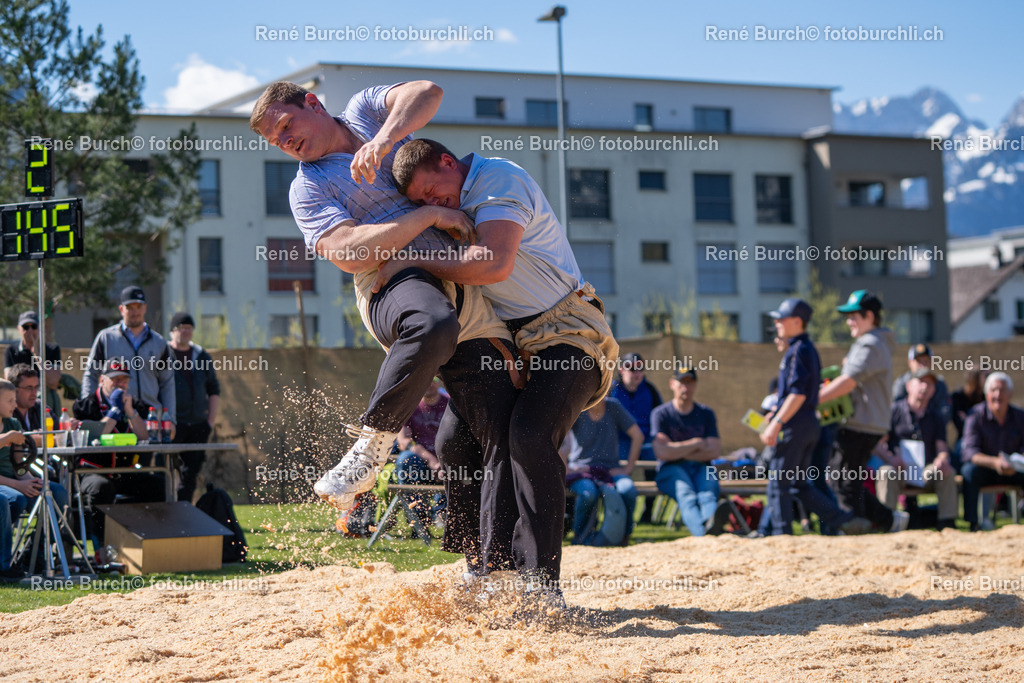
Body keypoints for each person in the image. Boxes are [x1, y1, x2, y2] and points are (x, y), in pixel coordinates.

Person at [250, 81, 522, 578]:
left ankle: (485, 566)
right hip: (394, 281)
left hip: (462, 279)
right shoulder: (308, 186)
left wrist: (385, 138)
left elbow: (429, 91)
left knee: (483, 432)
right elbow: (349, 250)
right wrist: (428, 214)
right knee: (432, 324)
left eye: (286, 125)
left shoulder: (365, 113)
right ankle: (372, 446)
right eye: (276, 141)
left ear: (313, 102)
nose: (285, 141)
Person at [390, 138, 619, 592]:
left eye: (433, 193)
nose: (434, 204)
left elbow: (493, 264)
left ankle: (539, 583)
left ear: (449, 161)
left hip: (570, 331)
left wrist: (413, 256)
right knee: (454, 438)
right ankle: (483, 567)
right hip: (512, 339)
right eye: (422, 203)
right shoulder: (457, 206)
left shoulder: (498, 180)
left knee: (530, 435)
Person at [759, 298, 868, 536]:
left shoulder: (798, 350)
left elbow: (797, 394)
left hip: (795, 425)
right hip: (808, 424)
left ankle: (781, 536)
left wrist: (776, 423)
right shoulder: (805, 349)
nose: (777, 323)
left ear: (797, 322)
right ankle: (843, 519)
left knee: (779, 483)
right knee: (798, 484)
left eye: (782, 319)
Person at [817, 290, 909, 533]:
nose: (849, 322)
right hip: (868, 421)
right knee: (848, 479)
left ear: (869, 316)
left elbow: (848, 381)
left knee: (843, 479)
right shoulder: (873, 342)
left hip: (861, 422)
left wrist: (814, 400)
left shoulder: (871, 343)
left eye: (854, 316)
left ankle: (857, 527)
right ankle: (887, 520)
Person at [72, 360, 163, 550]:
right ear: (102, 380)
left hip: (124, 471)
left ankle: (149, 545)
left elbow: (144, 436)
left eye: (124, 380)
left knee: (158, 484)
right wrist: (114, 411)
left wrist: (129, 412)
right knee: (101, 488)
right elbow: (96, 435)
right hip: (91, 471)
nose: (120, 384)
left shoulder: (135, 404)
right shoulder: (87, 405)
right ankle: (102, 548)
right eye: (115, 380)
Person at [81, 286, 176, 439]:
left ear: (145, 308)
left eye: (138, 306)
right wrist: (91, 408)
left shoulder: (159, 342)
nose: (134, 312)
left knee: (150, 463)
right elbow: (91, 374)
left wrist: (170, 418)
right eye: (129, 307)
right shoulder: (106, 338)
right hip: (114, 418)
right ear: (121, 309)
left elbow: (167, 382)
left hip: (149, 418)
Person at [0, 379, 69, 581]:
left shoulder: (12, 423)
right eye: (10, 400)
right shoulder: (10, 431)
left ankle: (31, 554)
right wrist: (17, 485)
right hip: (7, 487)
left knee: (54, 493)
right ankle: (4, 566)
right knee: (12, 499)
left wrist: (30, 481)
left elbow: (19, 464)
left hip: (14, 481)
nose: (15, 405)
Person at [873, 367, 959, 529]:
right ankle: (886, 522)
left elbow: (942, 448)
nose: (924, 387)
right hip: (899, 470)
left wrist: (941, 460)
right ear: (908, 386)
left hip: (925, 471)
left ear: (934, 390)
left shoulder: (936, 416)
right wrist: (891, 459)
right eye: (920, 382)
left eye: (929, 384)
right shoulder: (894, 411)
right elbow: (877, 444)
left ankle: (947, 524)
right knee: (885, 472)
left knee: (947, 471)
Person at [651, 368, 721, 537]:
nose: (685, 387)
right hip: (670, 469)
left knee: (708, 496)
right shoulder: (660, 414)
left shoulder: (706, 413)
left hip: (702, 467)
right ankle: (707, 537)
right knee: (687, 496)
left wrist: (676, 450)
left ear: (696, 385)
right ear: (672, 384)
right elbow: (662, 452)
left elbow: (714, 451)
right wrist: (696, 443)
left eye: (689, 382)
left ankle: (706, 533)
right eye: (682, 382)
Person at [566, 396, 643, 545]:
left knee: (628, 490)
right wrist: (567, 468)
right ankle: (579, 538)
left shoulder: (613, 407)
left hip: (610, 471)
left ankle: (623, 537)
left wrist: (627, 469)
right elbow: (558, 437)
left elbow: (637, 435)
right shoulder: (578, 407)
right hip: (582, 472)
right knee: (589, 493)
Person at [167, 312, 221, 503]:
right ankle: (164, 512)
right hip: (172, 424)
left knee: (190, 474)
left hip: (198, 424)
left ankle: (184, 511)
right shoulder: (163, 354)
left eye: (189, 328)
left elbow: (213, 389)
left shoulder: (201, 355)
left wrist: (209, 422)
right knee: (164, 470)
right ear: (172, 331)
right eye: (181, 328)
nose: (185, 332)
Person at [960, 372, 1024, 531]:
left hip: (1015, 469)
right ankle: (973, 524)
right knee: (968, 472)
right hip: (986, 469)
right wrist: (995, 463)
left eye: (1002, 390)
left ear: (1010, 394)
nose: (998, 395)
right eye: (994, 390)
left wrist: (1015, 463)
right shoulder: (974, 415)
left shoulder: (1020, 416)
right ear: (986, 394)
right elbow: (969, 452)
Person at [394, 378, 448, 532]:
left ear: (440, 382)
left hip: (448, 461)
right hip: (420, 464)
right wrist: (432, 461)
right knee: (406, 459)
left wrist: (442, 461)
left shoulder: (451, 404)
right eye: (426, 378)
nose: (429, 382)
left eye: (434, 379)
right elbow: (404, 441)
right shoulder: (409, 406)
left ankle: (444, 514)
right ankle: (418, 519)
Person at [4, 310, 62, 412]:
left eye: (33, 327)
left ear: (40, 329)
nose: (30, 330)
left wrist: (37, 355)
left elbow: (53, 381)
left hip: (44, 399)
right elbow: (10, 382)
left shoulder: (52, 349)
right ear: (19, 329)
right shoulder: (11, 351)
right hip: (20, 400)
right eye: (26, 327)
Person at [892, 343, 951, 424]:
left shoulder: (939, 383)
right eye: (918, 361)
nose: (922, 365)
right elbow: (896, 411)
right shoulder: (901, 383)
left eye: (926, 361)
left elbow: (945, 411)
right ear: (910, 362)